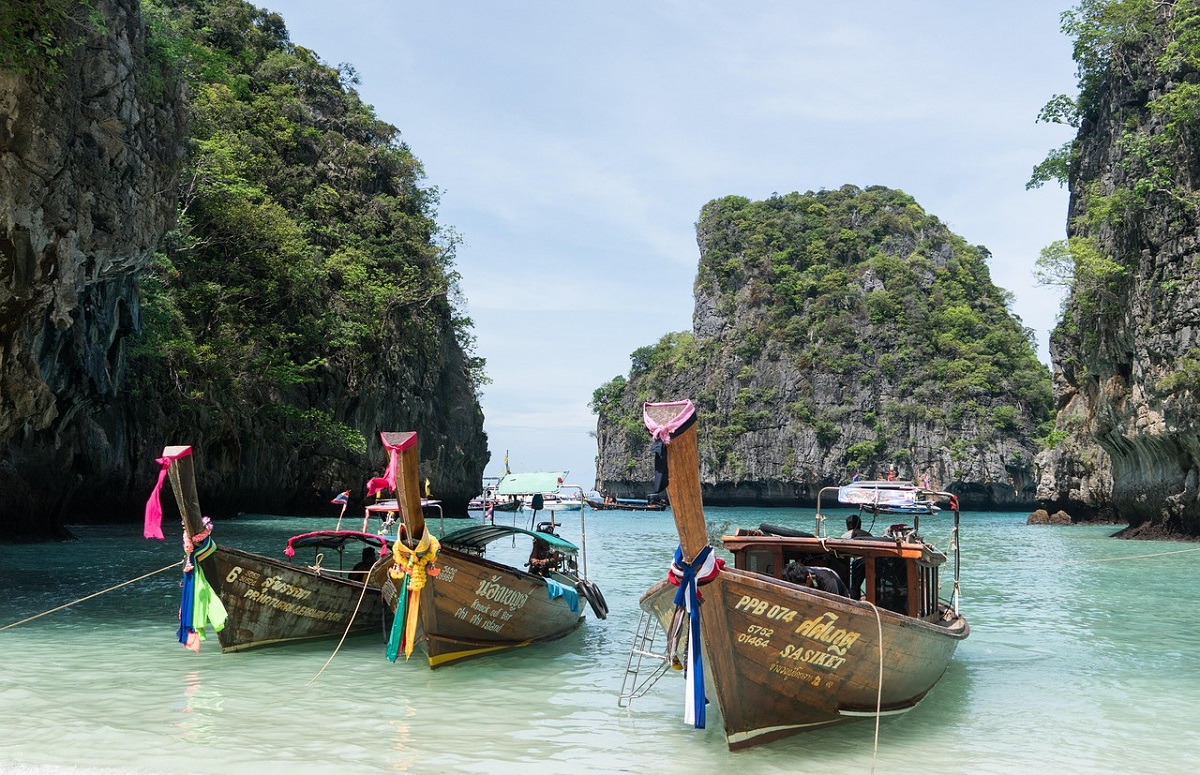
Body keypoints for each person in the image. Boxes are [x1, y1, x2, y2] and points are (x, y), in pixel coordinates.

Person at [782, 560, 849, 597]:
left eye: (802, 587)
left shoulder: (828, 581)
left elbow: (835, 605)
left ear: (808, 578)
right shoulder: (800, 573)